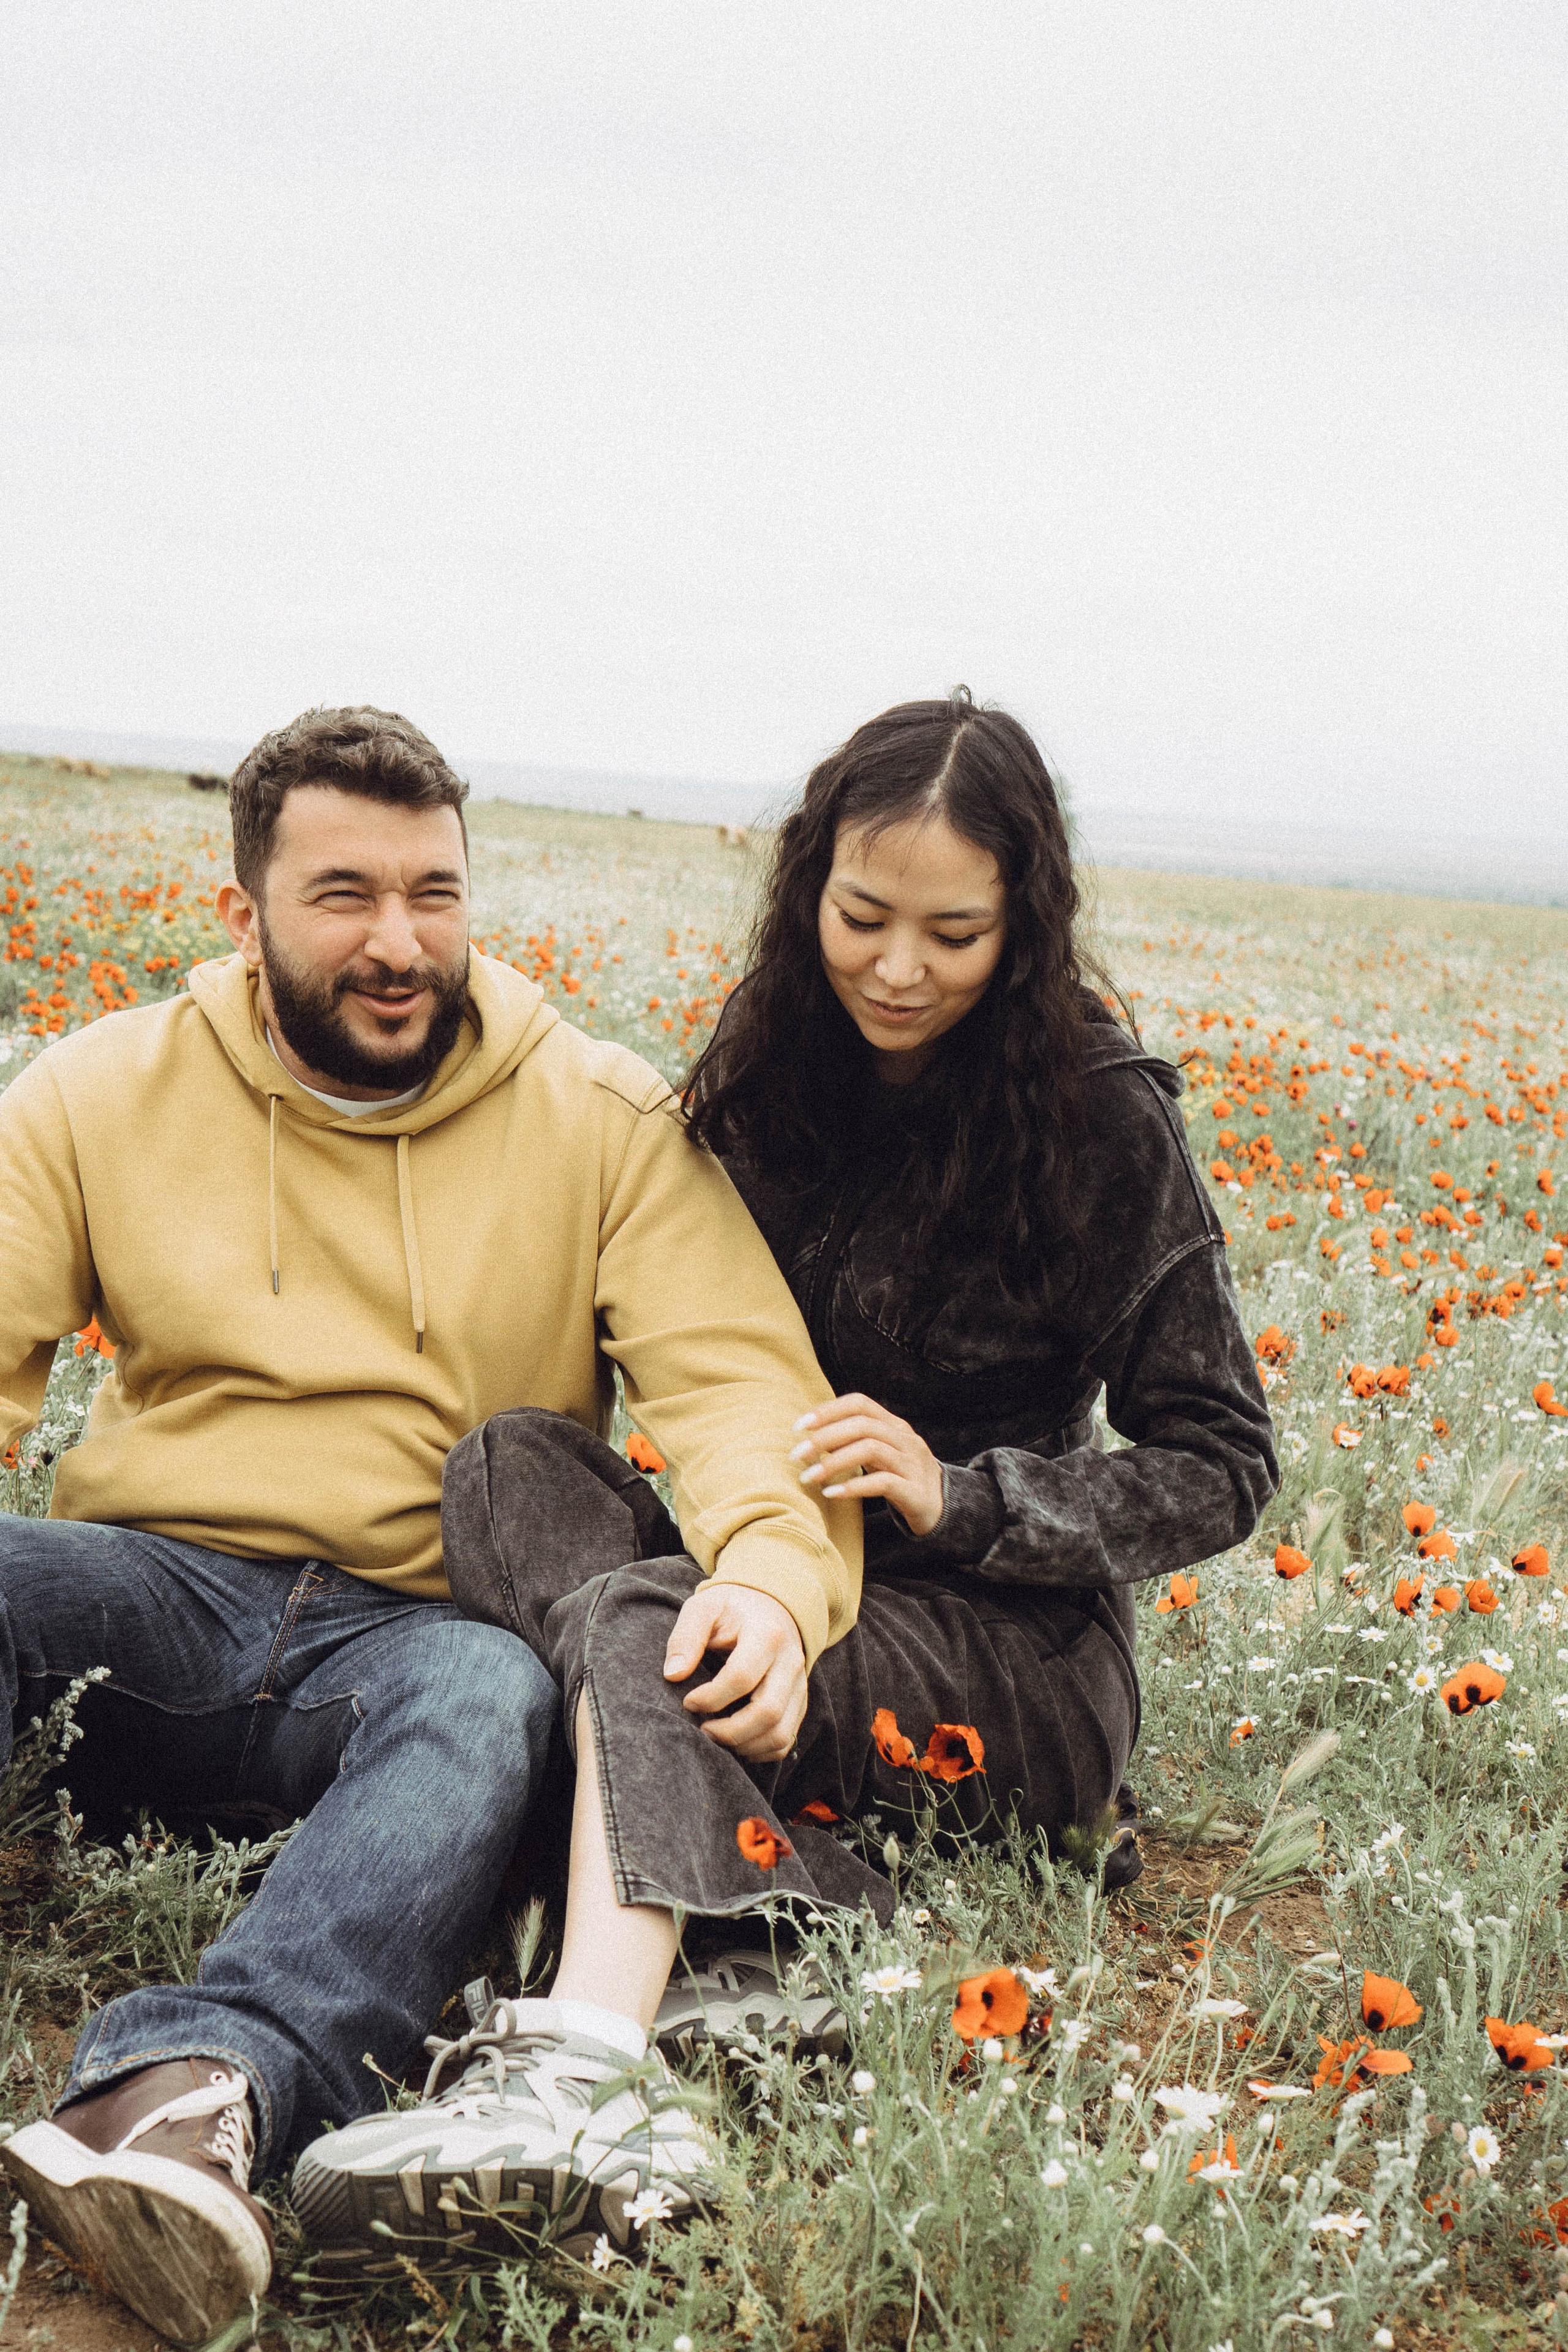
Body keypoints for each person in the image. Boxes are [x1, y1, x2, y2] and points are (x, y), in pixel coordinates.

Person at [293, 691, 1278, 2247]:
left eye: (951, 935)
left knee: (639, 1627)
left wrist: (967, 1495)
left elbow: (1222, 1464)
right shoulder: (770, 1072)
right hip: (769, 1576)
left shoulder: (1100, 1124)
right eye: (862, 915)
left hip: (1001, 1650)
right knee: (507, 1470)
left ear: (1020, 927)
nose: (896, 969)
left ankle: (588, 2077)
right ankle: (782, 1944)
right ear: (808, 882)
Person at [0, 707, 859, 2342]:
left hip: (413, 1638)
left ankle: (190, 2096)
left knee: (496, 1698)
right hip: (155, 1598)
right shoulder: (98, 1093)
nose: (398, 944)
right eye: (343, 896)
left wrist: (769, 1572)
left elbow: (744, 1386)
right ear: (244, 912)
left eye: (434, 893)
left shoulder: (596, 1120)